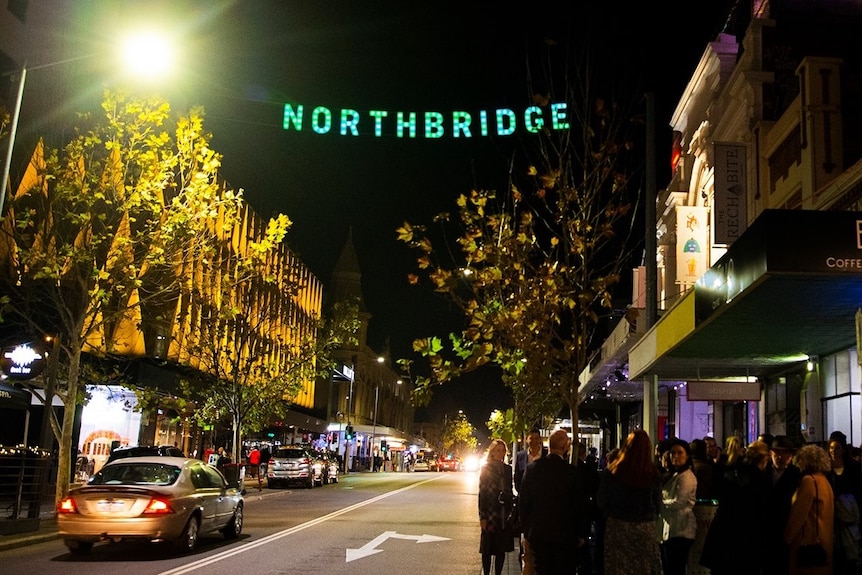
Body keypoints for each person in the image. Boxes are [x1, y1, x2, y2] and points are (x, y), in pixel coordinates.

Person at [518, 429, 587, 575]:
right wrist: (581, 533)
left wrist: (526, 530)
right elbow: (579, 505)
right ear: (565, 447)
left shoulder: (532, 469)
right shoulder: (572, 473)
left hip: (538, 533)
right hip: (565, 536)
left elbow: (524, 502)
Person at [596, 429, 663, 575]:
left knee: (618, 566)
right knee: (643, 566)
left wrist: (611, 513)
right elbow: (657, 504)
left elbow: (601, 500)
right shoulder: (652, 474)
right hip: (644, 527)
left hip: (618, 525)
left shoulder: (613, 471)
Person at [699, 440, 772, 574]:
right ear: (764, 459)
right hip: (746, 539)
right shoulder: (760, 479)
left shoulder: (732, 472)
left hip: (723, 535)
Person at [785, 443, 835, 575]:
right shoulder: (824, 481)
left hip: (807, 544)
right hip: (823, 545)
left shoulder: (809, 481)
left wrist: (786, 538)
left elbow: (798, 515)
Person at [764, 435, 802, 575]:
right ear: (771, 454)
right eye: (776, 453)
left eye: (784, 453)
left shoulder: (796, 474)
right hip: (766, 528)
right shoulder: (763, 471)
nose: (779, 456)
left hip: (786, 526)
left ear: (790, 455)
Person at [660, 438, 697, 575]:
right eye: (673, 453)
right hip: (673, 529)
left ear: (687, 455)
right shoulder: (676, 475)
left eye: (680, 453)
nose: (675, 456)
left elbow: (679, 501)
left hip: (681, 529)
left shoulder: (686, 477)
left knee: (675, 567)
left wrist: (661, 503)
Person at [827, 431, 862, 572]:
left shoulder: (853, 467)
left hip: (849, 515)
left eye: (837, 448)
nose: (834, 451)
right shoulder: (825, 467)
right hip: (831, 515)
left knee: (850, 552)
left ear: (843, 449)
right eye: (831, 448)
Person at [478, 438, 515, 575]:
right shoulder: (486, 468)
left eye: (502, 450)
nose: (500, 453)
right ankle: (486, 573)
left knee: (501, 548)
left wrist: (510, 506)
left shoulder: (507, 469)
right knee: (487, 547)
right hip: (490, 512)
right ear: (492, 452)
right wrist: (483, 516)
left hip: (503, 513)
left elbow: (509, 490)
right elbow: (482, 493)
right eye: (497, 450)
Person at [514, 428, 546, 575]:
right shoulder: (521, 456)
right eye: (530, 438)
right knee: (525, 543)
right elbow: (517, 479)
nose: (533, 441)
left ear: (540, 440)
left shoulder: (546, 456)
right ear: (527, 440)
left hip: (542, 505)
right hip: (526, 504)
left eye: (535, 438)